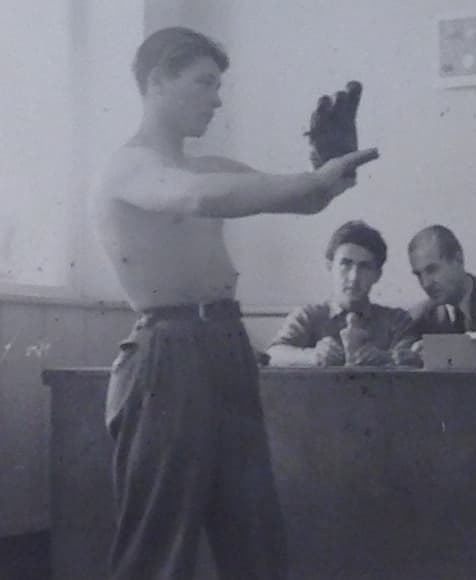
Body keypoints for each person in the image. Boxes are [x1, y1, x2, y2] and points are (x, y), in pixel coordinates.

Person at [91, 26, 378, 580]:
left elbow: (305, 199)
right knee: (157, 553)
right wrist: (310, 181)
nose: (217, 100)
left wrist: (332, 167)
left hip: (226, 347)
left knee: (255, 542)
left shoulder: (207, 168)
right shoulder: (129, 166)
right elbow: (196, 198)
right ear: (158, 81)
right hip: (166, 356)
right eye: (204, 83)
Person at [266, 220, 420, 367]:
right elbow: (273, 354)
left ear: (377, 275)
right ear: (330, 266)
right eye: (345, 264)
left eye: (365, 267)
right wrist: (311, 356)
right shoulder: (308, 316)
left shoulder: (396, 321)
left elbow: (414, 357)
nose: (354, 277)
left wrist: (387, 358)